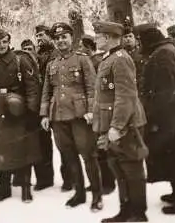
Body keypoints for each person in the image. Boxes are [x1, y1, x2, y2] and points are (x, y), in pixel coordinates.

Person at [39, 23, 104, 212]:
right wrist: (44, 114)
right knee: (68, 156)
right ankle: (79, 194)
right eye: (57, 38)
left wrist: (91, 110)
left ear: (71, 38)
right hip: (58, 116)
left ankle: (97, 196)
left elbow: (93, 88)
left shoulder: (82, 59)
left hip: (80, 116)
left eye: (64, 37)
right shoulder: (52, 64)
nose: (60, 41)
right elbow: (46, 90)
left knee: (88, 155)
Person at [92, 21, 148, 222]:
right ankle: (126, 211)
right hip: (113, 124)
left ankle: (138, 214)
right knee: (119, 168)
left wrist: (117, 126)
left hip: (126, 124)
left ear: (106, 38)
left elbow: (125, 97)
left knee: (131, 169)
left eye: (98, 36)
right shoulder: (110, 58)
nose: (96, 39)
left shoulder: (120, 59)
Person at [0, 29, 42, 203]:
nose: (2, 45)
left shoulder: (20, 60)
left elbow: (31, 88)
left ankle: (26, 189)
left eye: (5, 41)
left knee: (23, 148)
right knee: (1, 149)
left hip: (18, 110)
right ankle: (4, 189)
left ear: (9, 42)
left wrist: (31, 112)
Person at [136, 24, 175, 215]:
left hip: (166, 119)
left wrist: (153, 118)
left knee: (172, 159)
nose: (138, 44)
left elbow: (164, 92)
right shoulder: (164, 50)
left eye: (139, 39)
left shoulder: (162, 54)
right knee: (171, 157)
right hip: (170, 117)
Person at [35, 25, 73, 192]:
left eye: (42, 35)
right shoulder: (35, 55)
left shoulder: (59, 54)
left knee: (65, 144)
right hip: (43, 103)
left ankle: (69, 178)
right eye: (37, 36)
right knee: (43, 143)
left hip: (61, 102)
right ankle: (45, 179)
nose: (39, 38)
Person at [78, 34, 116, 196]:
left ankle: (108, 182)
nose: (79, 49)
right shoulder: (92, 61)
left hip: (101, 109)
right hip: (94, 109)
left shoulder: (97, 61)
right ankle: (102, 181)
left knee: (102, 148)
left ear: (88, 47)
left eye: (81, 46)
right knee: (95, 147)